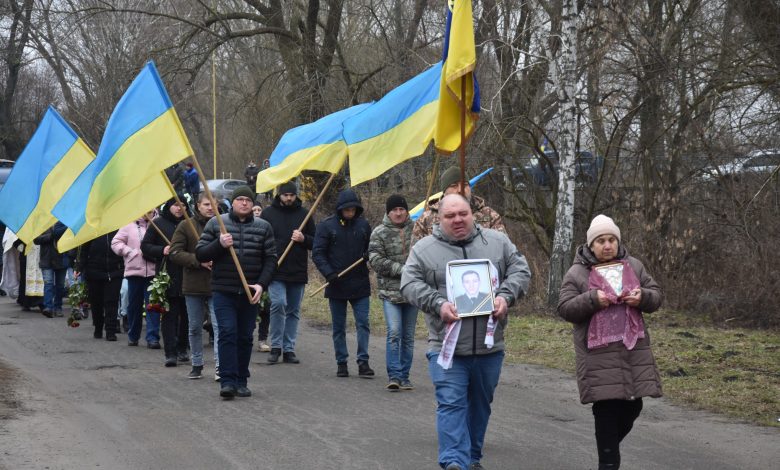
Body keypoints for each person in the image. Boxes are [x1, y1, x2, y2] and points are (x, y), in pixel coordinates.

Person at [400, 194, 531, 470]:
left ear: (472, 213)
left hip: (489, 346)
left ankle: (471, 458)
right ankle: (453, 462)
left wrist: (505, 297)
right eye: (450, 216)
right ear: (439, 219)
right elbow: (409, 283)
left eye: (463, 214)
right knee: (450, 403)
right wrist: (438, 304)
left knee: (480, 406)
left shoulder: (497, 242)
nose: (458, 220)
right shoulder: (424, 249)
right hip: (445, 347)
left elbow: (521, 270)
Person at [557, 215, 663, 470]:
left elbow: (657, 296)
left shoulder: (633, 266)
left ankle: (609, 451)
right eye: (601, 241)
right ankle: (608, 462)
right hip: (598, 356)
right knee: (606, 409)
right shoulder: (578, 273)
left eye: (612, 240)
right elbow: (564, 307)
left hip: (631, 350)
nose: (607, 245)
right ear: (591, 245)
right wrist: (593, 299)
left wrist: (643, 297)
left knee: (633, 406)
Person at [196, 185, 277, 399]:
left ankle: (242, 380)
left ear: (253, 204)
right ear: (232, 202)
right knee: (227, 332)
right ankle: (228, 381)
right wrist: (219, 244)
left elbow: (271, 259)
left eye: (248, 200)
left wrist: (262, 284)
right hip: (223, 289)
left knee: (244, 336)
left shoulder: (264, 227)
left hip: (251, 291)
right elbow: (201, 254)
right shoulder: (217, 223)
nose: (244, 203)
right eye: (240, 199)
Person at [312, 189, 374, 378]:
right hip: (336, 284)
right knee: (339, 327)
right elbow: (318, 253)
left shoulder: (363, 225)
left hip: (360, 283)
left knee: (363, 323)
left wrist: (368, 254)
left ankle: (363, 361)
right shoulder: (326, 226)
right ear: (340, 209)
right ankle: (342, 362)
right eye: (347, 209)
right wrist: (328, 272)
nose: (350, 212)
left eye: (353, 209)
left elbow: (372, 248)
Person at [260, 181, 315, 364]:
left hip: (297, 269)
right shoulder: (268, 214)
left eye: (292, 195)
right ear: (279, 195)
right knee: (278, 304)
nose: (289, 198)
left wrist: (303, 238)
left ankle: (289, 348)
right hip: (275, 269)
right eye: (286, 195)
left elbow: (316, 243)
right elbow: (261, 239)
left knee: (293, 310)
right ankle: (275, 347)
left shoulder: (304, 215)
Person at [368, 194, 417, 391]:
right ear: (388, 212)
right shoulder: (379, 233)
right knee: (394, 332)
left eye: (402, 209)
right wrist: (401, 269)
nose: (399, 213)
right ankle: (394, 375)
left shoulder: (417, 230)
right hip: (390, 293)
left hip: (413, 292)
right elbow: (376, 260)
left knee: (409, 336)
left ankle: (405, 376)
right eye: (395, 210)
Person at [169, 193, 220, 380]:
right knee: (195, 326)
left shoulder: (223, 224)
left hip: (218, 284)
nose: (210, 208)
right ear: (198, 205)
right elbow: (175, 252)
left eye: (213, 204)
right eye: (206, 204)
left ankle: (220, 366)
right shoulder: (186, 225)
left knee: (218, 326)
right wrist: (199, 261)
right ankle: (197, 363)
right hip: (193, 284)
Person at [141, 198, 190, 367]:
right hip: (167, 276)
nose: (179, 208)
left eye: (183, 205)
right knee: (169, 316)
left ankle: (183, 348)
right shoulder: (158, 223)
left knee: (187, 317)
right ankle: (170, 352)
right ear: (168, 207)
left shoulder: (189, 223)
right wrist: (162, 250)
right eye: (176, 205)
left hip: (189, 276)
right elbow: (145, 247)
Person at [413, 166, 505, 241]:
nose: (460, 190)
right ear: (444, 192)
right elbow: (417, 256)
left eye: (464, 185)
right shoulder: (425, 219)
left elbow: (502, 247)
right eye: (454, 186)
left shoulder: (489, 215)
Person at [112, 213, 159, 348]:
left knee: (153, 305)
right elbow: (116, 242)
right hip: (134, 272)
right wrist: (130, 252)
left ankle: (152, 337)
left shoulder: (158, 224)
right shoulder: (128, 225)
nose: (148, 212)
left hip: (153, 271)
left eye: (151, 210)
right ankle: (133, 335)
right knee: (134, 306)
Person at [78, 231, 124, 341]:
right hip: (94, 272)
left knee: (111, 302)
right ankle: (98, 327)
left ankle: (110, 331)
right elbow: (84, 251)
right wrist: (79, 267)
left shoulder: (119, 229)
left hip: (115, 271)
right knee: (96, 303)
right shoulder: (92, 230)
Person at [33, 222, 73, 318]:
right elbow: (36, 239)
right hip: (47, 259)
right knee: (48, 284)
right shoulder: (42, 222)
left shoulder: (64, 221)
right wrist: (51, 236)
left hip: (61, 258)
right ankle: (48, 308)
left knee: (60, 285)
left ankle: (58, 307)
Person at [252, 203, 271, 353]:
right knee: (250, 308)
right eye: (254, 210)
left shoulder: (266, 228)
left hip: (263, 275)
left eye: (259, 210)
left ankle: (262, 339)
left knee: (265, 308)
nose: (257, 212)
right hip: (247, 275)